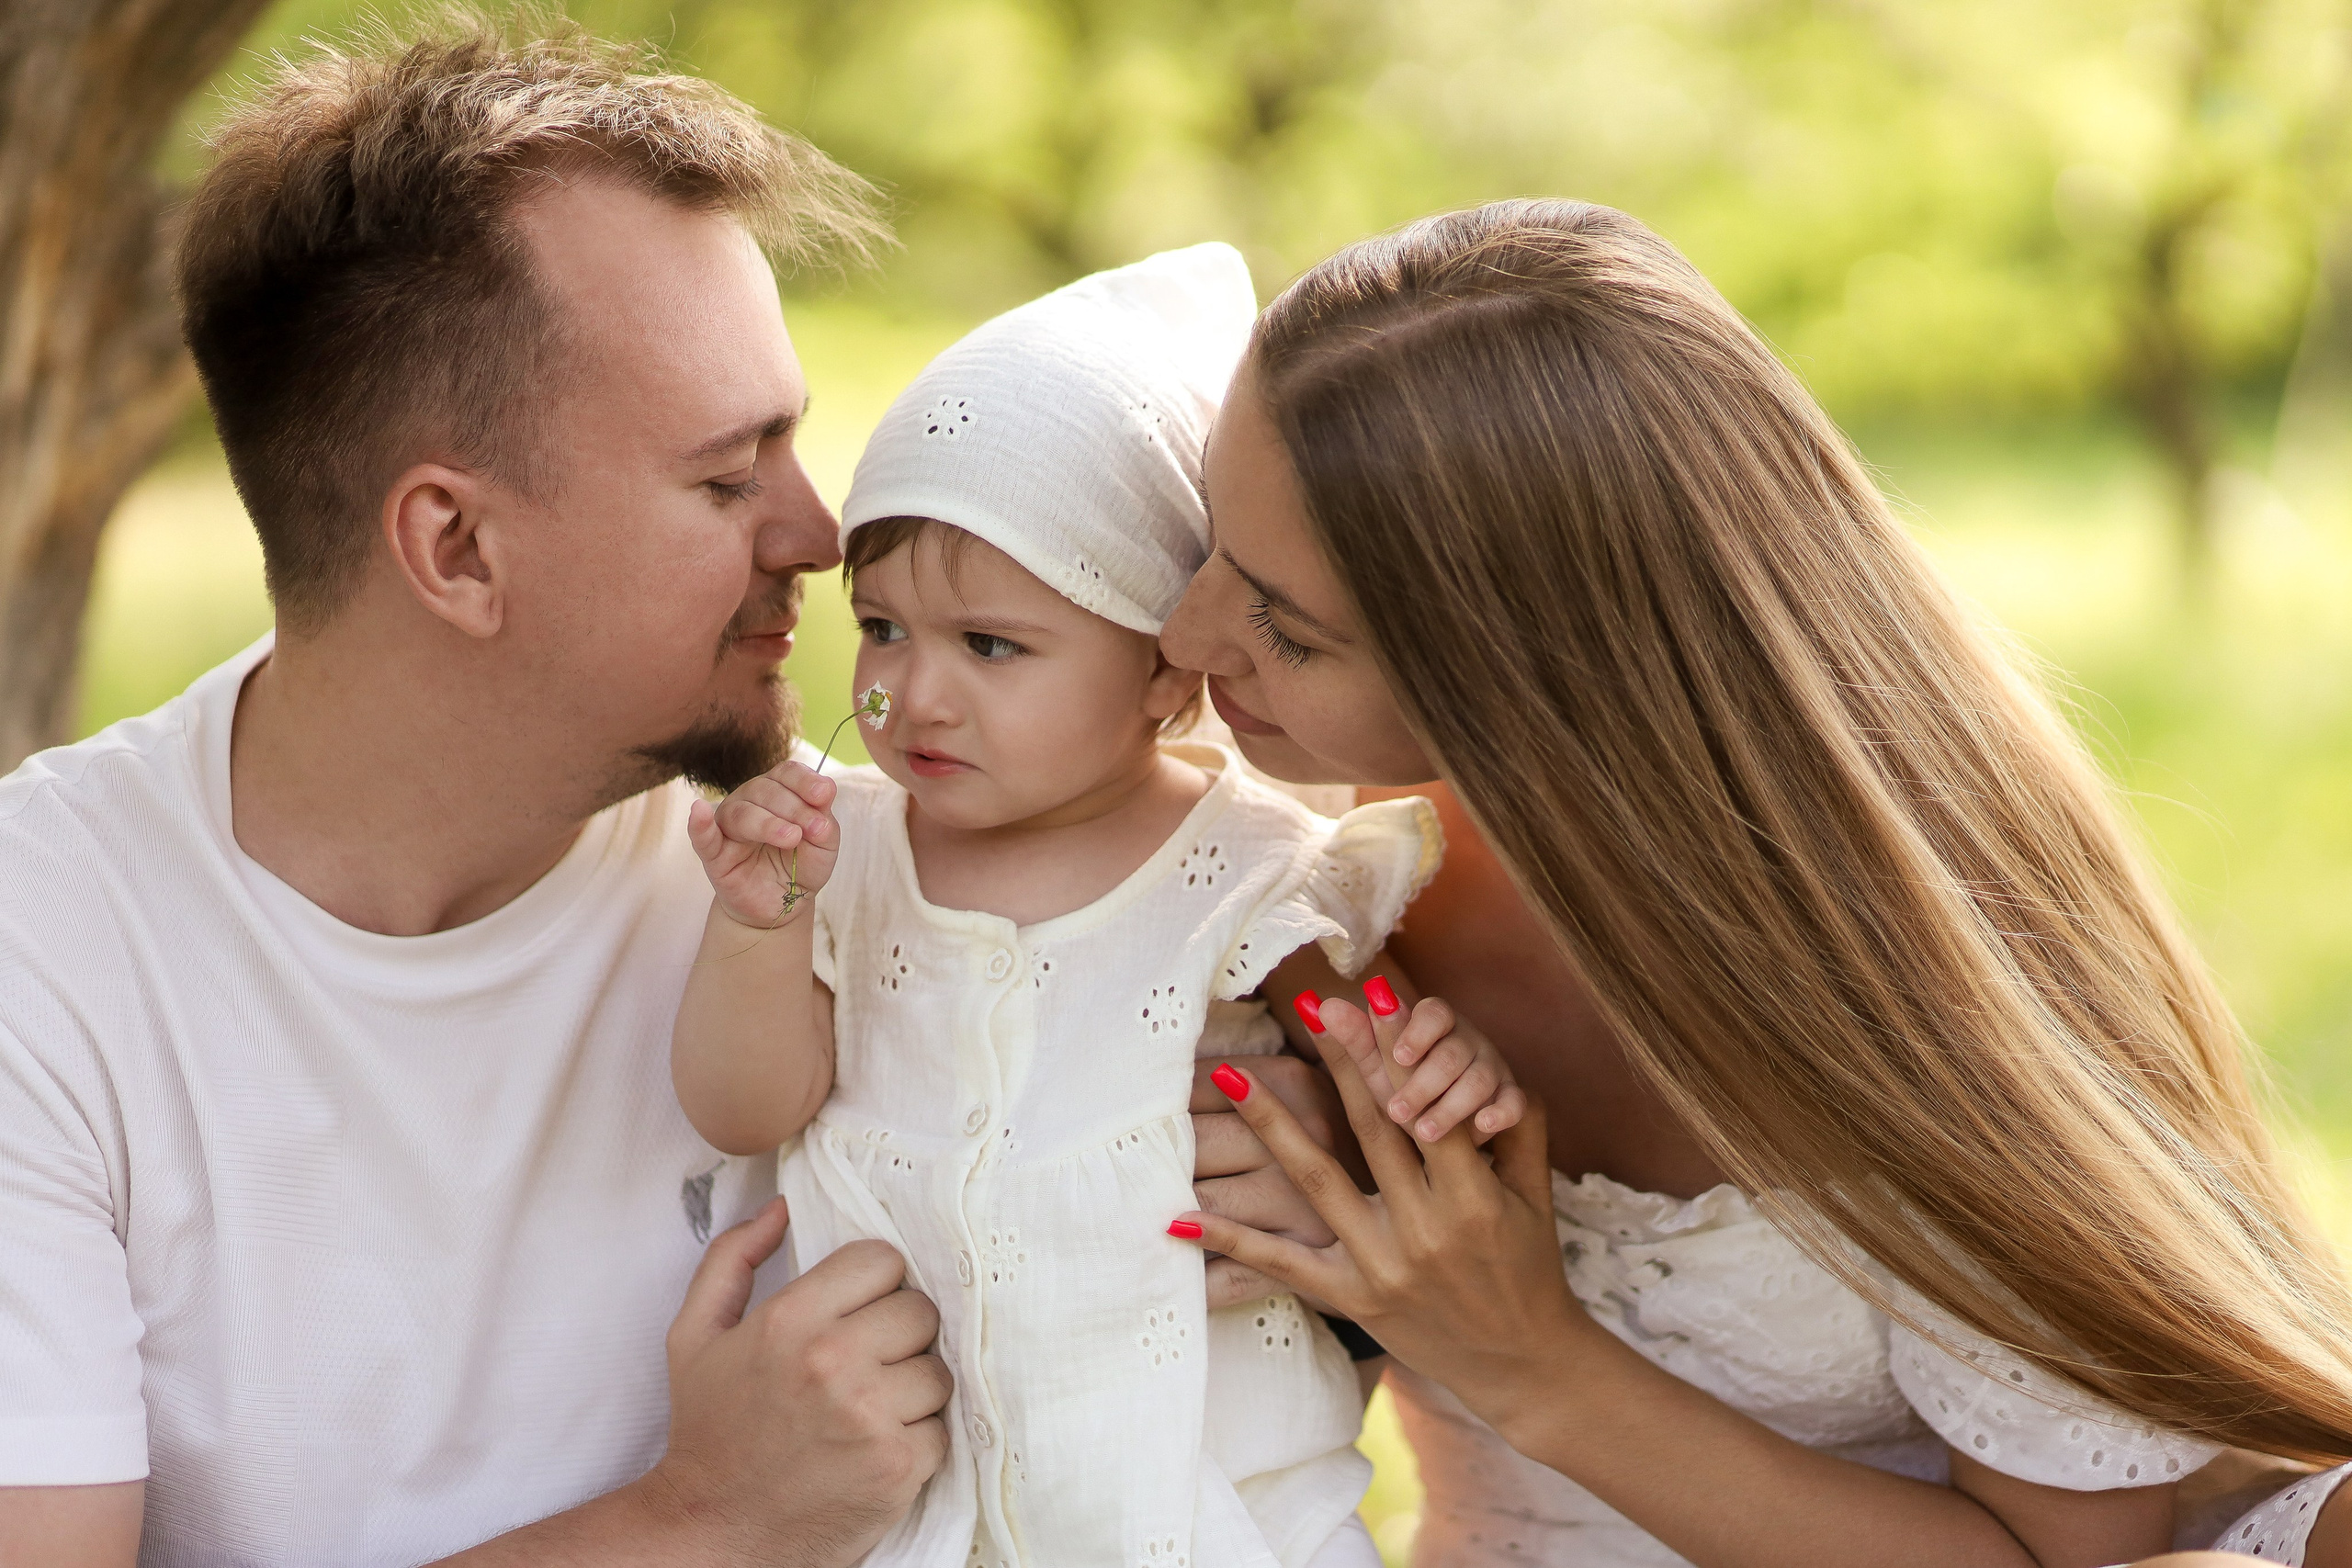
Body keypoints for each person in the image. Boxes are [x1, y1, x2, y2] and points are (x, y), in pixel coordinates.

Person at [0, 21, 1338, 1566]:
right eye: (728, 475)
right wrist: (704, 1517)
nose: (822, 533)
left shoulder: (863, 871)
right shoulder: (50, 955)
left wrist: (1290, 1161)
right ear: (455, 549)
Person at [1158, 197, 2352, 1568]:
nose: (1184, 636)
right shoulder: (1284, 823)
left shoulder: (1927, 986)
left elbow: (2081, 1560)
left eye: (1286, 628)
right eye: (1208, 543)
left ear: (1533, 679)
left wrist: (1532, 1361)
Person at [670, 243, 1520, 1568]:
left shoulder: (1255, 875)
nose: (916, 692)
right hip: (911, 1522)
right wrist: (760, 929)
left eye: (991, 646)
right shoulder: (850, 854)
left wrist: (1428, 1080)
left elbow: (1386, 1108)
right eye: (883, 628)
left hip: (1214, 1517)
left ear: (1161, 676)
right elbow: (743, 1109)